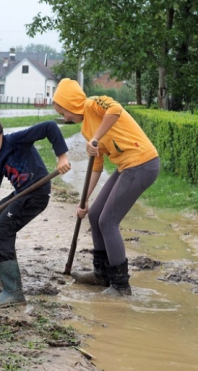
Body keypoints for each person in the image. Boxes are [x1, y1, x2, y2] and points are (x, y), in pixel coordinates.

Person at [53, 78, 160, 296]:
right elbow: (97, 166)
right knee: (94, 215)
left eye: (64, 112)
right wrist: (84, 201)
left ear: (72, 103)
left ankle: (121, 286)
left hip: (142, 163)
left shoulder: (93, 103)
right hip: (126, 166)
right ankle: (101, 274)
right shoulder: (85, 129)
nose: (65, 118)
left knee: (108, 221)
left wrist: (96, 137)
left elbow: (116, 109)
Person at [0, 112, 71, 308]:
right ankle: (6, 273)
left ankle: (13, 292)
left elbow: (49, 127)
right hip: (21, 193)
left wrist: (61, 157)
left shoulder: (17, 140)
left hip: (36, 194)